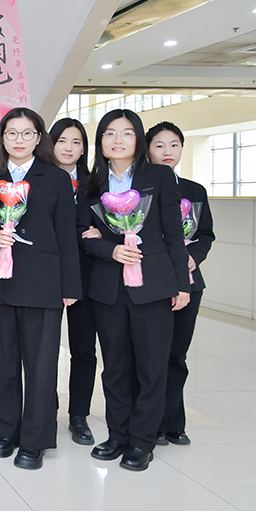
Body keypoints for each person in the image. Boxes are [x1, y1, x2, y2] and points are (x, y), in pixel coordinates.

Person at [80, 109, 191, 472]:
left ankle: (143, 440)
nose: (118, 140)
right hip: (109, 287)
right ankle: (118, 434)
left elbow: (173, 233)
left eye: (127, 133)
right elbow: (82, 234)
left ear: (138, 139)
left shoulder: (158, 176)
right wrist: (109, 248)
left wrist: (181, 283)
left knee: (151, 366)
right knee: (114, 366)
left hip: (153, 284)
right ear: (100, 141)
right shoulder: (91, 184)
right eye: (110, 133)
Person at [0, 107, 81, 471]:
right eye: (12, 133)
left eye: (27, 133)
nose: (19, 140)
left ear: (38, 138)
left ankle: (35, 439)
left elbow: (66, 235)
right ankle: (4, 431)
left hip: (42, 283)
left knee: (40, 366)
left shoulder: (55, 178)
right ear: (1, 138)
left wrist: (70, 285)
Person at [147, 121, 214, 447]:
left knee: (177, 355)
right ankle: (151, 423)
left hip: (188, 280)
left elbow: (206, 234)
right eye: (159, 145)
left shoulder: (194, 191)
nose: (167, 151)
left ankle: (173, 422)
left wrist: (192, 257)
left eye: (174, 145)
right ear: (147, 150)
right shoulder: (140, 189)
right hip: (154, 281)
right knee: (151, 357)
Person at [48, 117, 97, 446]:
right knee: (44, 349)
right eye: (62, 140)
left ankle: (79, 415)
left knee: (83, 348)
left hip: (88, 274)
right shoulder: (40, 179)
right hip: (48, 274)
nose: (69, 147)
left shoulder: (95, 184)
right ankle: (46, 408)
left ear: (84, 149)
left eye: (76, 142)